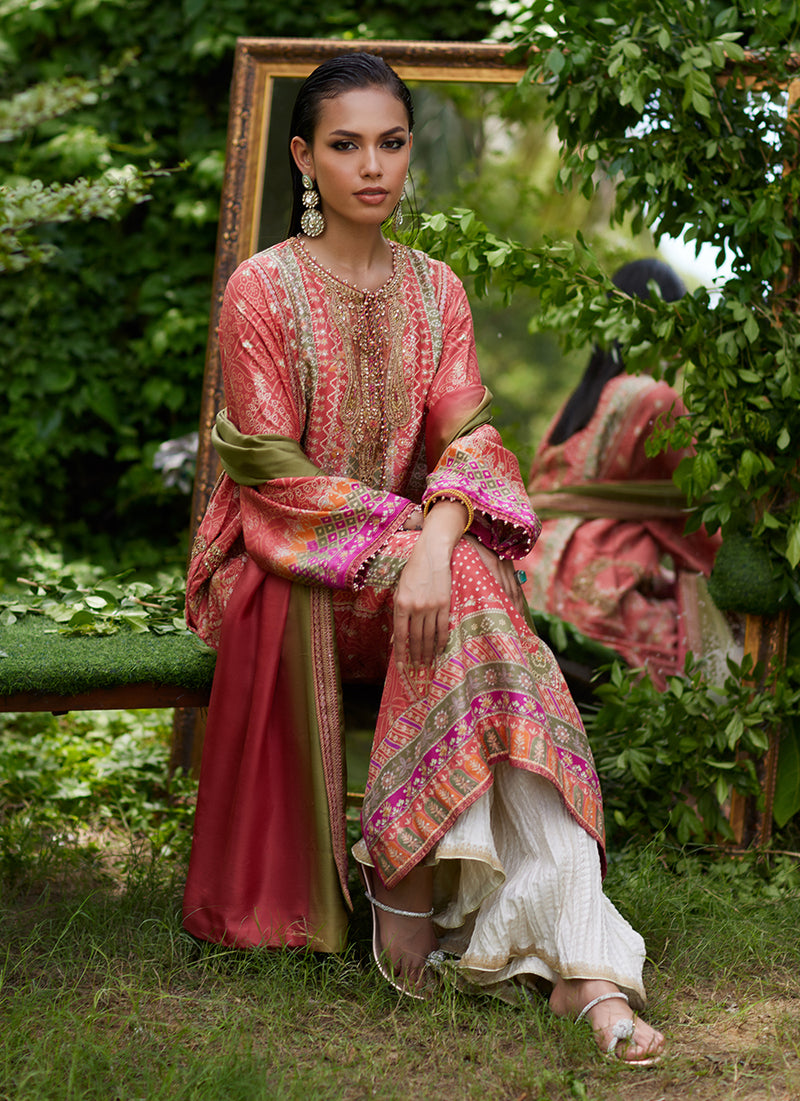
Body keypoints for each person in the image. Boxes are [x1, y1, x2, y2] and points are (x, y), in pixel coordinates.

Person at [182, 53, 665, 1066]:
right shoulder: (259, 291)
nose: (372, 166)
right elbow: (269, 472)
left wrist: (436, 543)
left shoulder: (434, 289)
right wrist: (410, 543)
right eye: (345, 144)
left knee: (473, 584)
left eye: (391, 142)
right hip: (276, 575)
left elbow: (472, 445)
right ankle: (485, 919)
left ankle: (564, 958)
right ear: (303, 157)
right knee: (482, 596)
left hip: (422, 581)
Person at [518, 259, 738, 691]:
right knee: (710, 670)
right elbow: (699, 518)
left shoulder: (576, 404)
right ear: (659, 323)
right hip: (598, 592)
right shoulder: (657, 399)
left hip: (527, 576)